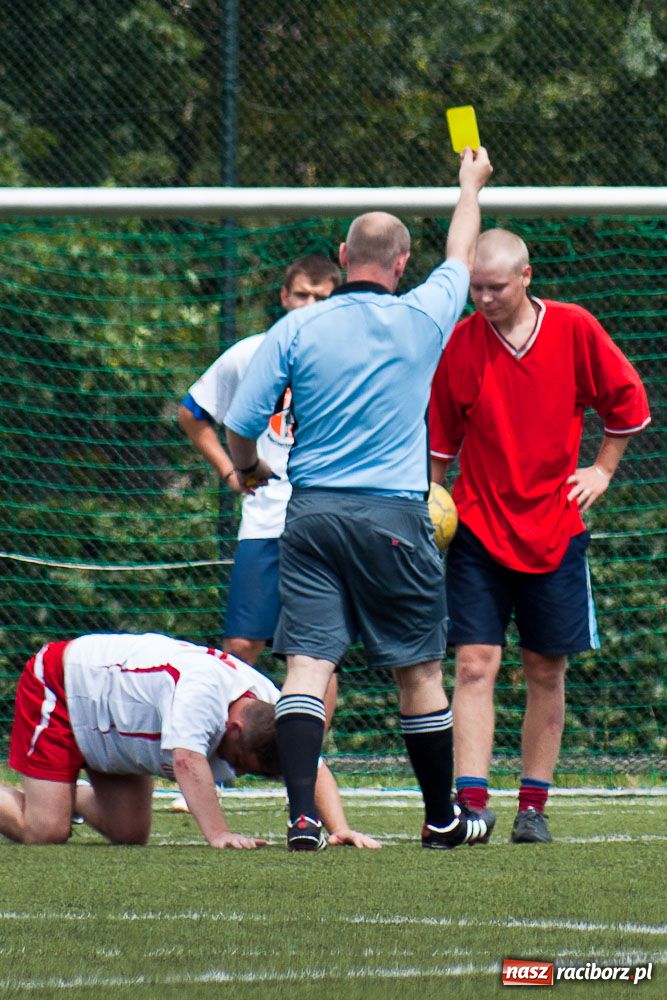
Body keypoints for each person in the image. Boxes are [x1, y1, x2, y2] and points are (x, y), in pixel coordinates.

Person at [225, 146, 494, 851]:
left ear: (344, 256)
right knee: (418, 671)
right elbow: (461, 253)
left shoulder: (296, 326)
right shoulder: (425, 317)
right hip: (396, 519)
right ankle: (441, 820)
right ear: (403, 265)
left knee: (307, 668)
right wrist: (469, 184)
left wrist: (248, 469)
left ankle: (301, 819)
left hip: (310, 516)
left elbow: (239, 424)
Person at [429, 228, 651, 844]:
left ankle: (533, 807)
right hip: (476, 527)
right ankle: (471, 803)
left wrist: (601, 470)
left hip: (555, 529)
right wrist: (429, 505)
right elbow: (440, 447)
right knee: (474, 664)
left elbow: (627, 403)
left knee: (544, 669)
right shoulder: (461, 344)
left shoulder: (575, 327)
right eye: (475, 287)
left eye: (495, 287)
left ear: (526, 277)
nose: (483, 298)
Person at [174, 256, 342, 816]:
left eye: (323, 298)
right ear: (283, 296)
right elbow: (193, 412)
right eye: (301, 295)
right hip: (266, 523)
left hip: (326, 522)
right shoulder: (252, 354)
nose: (311, 307)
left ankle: (305, 766)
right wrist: (230, 471)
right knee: (242, 647)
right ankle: (216, 769)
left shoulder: (349, 358)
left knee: (317, 655)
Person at [0, 632, 380, 850]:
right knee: (45, 832)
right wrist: (219, 833)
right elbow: (186, 760)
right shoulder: (201, 691)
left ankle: (61, 794)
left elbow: (311, 762)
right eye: (242, 761)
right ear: (234, 728)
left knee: (129, 834)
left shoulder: (271, 702)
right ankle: (51, 801)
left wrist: (338, 827)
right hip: (64, 688)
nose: (235, 769)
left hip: (114, 730)